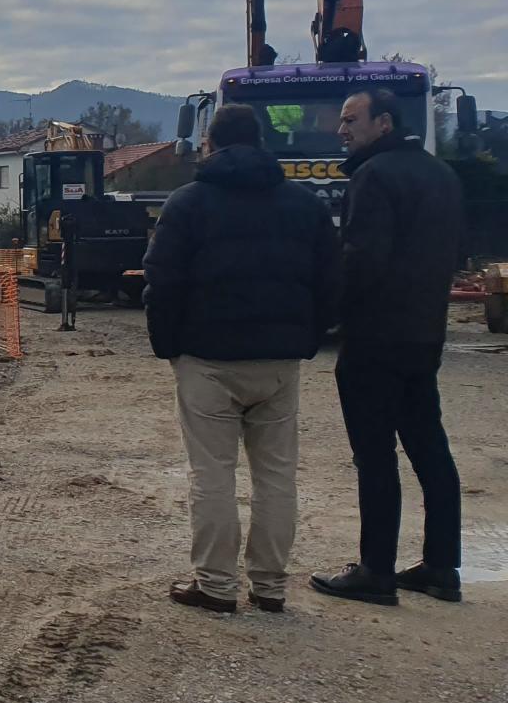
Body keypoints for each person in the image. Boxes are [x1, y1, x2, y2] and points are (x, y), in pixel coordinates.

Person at [143, 105, 339, 614]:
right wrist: (306, 338)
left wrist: (167, 345)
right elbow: (330, 280)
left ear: (210, 144)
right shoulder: (304, 204)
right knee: (277, 475)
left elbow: (162, 279)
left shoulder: (188, 204)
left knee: (212, 473)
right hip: (279, 362)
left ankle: (215, 584)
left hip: (207, 358)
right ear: (261, 143)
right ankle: (271, 587)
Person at [312, 89, 466, 607]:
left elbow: (362, 259)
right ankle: (442, 568)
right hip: (425, 334)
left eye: (351, 119)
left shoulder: (373, 176)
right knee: (430, 449)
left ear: (383, 122)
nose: (342, 129)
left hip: (375, 337)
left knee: (375, 456)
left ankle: (376, 570)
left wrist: (326, 316)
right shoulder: (439, 174)